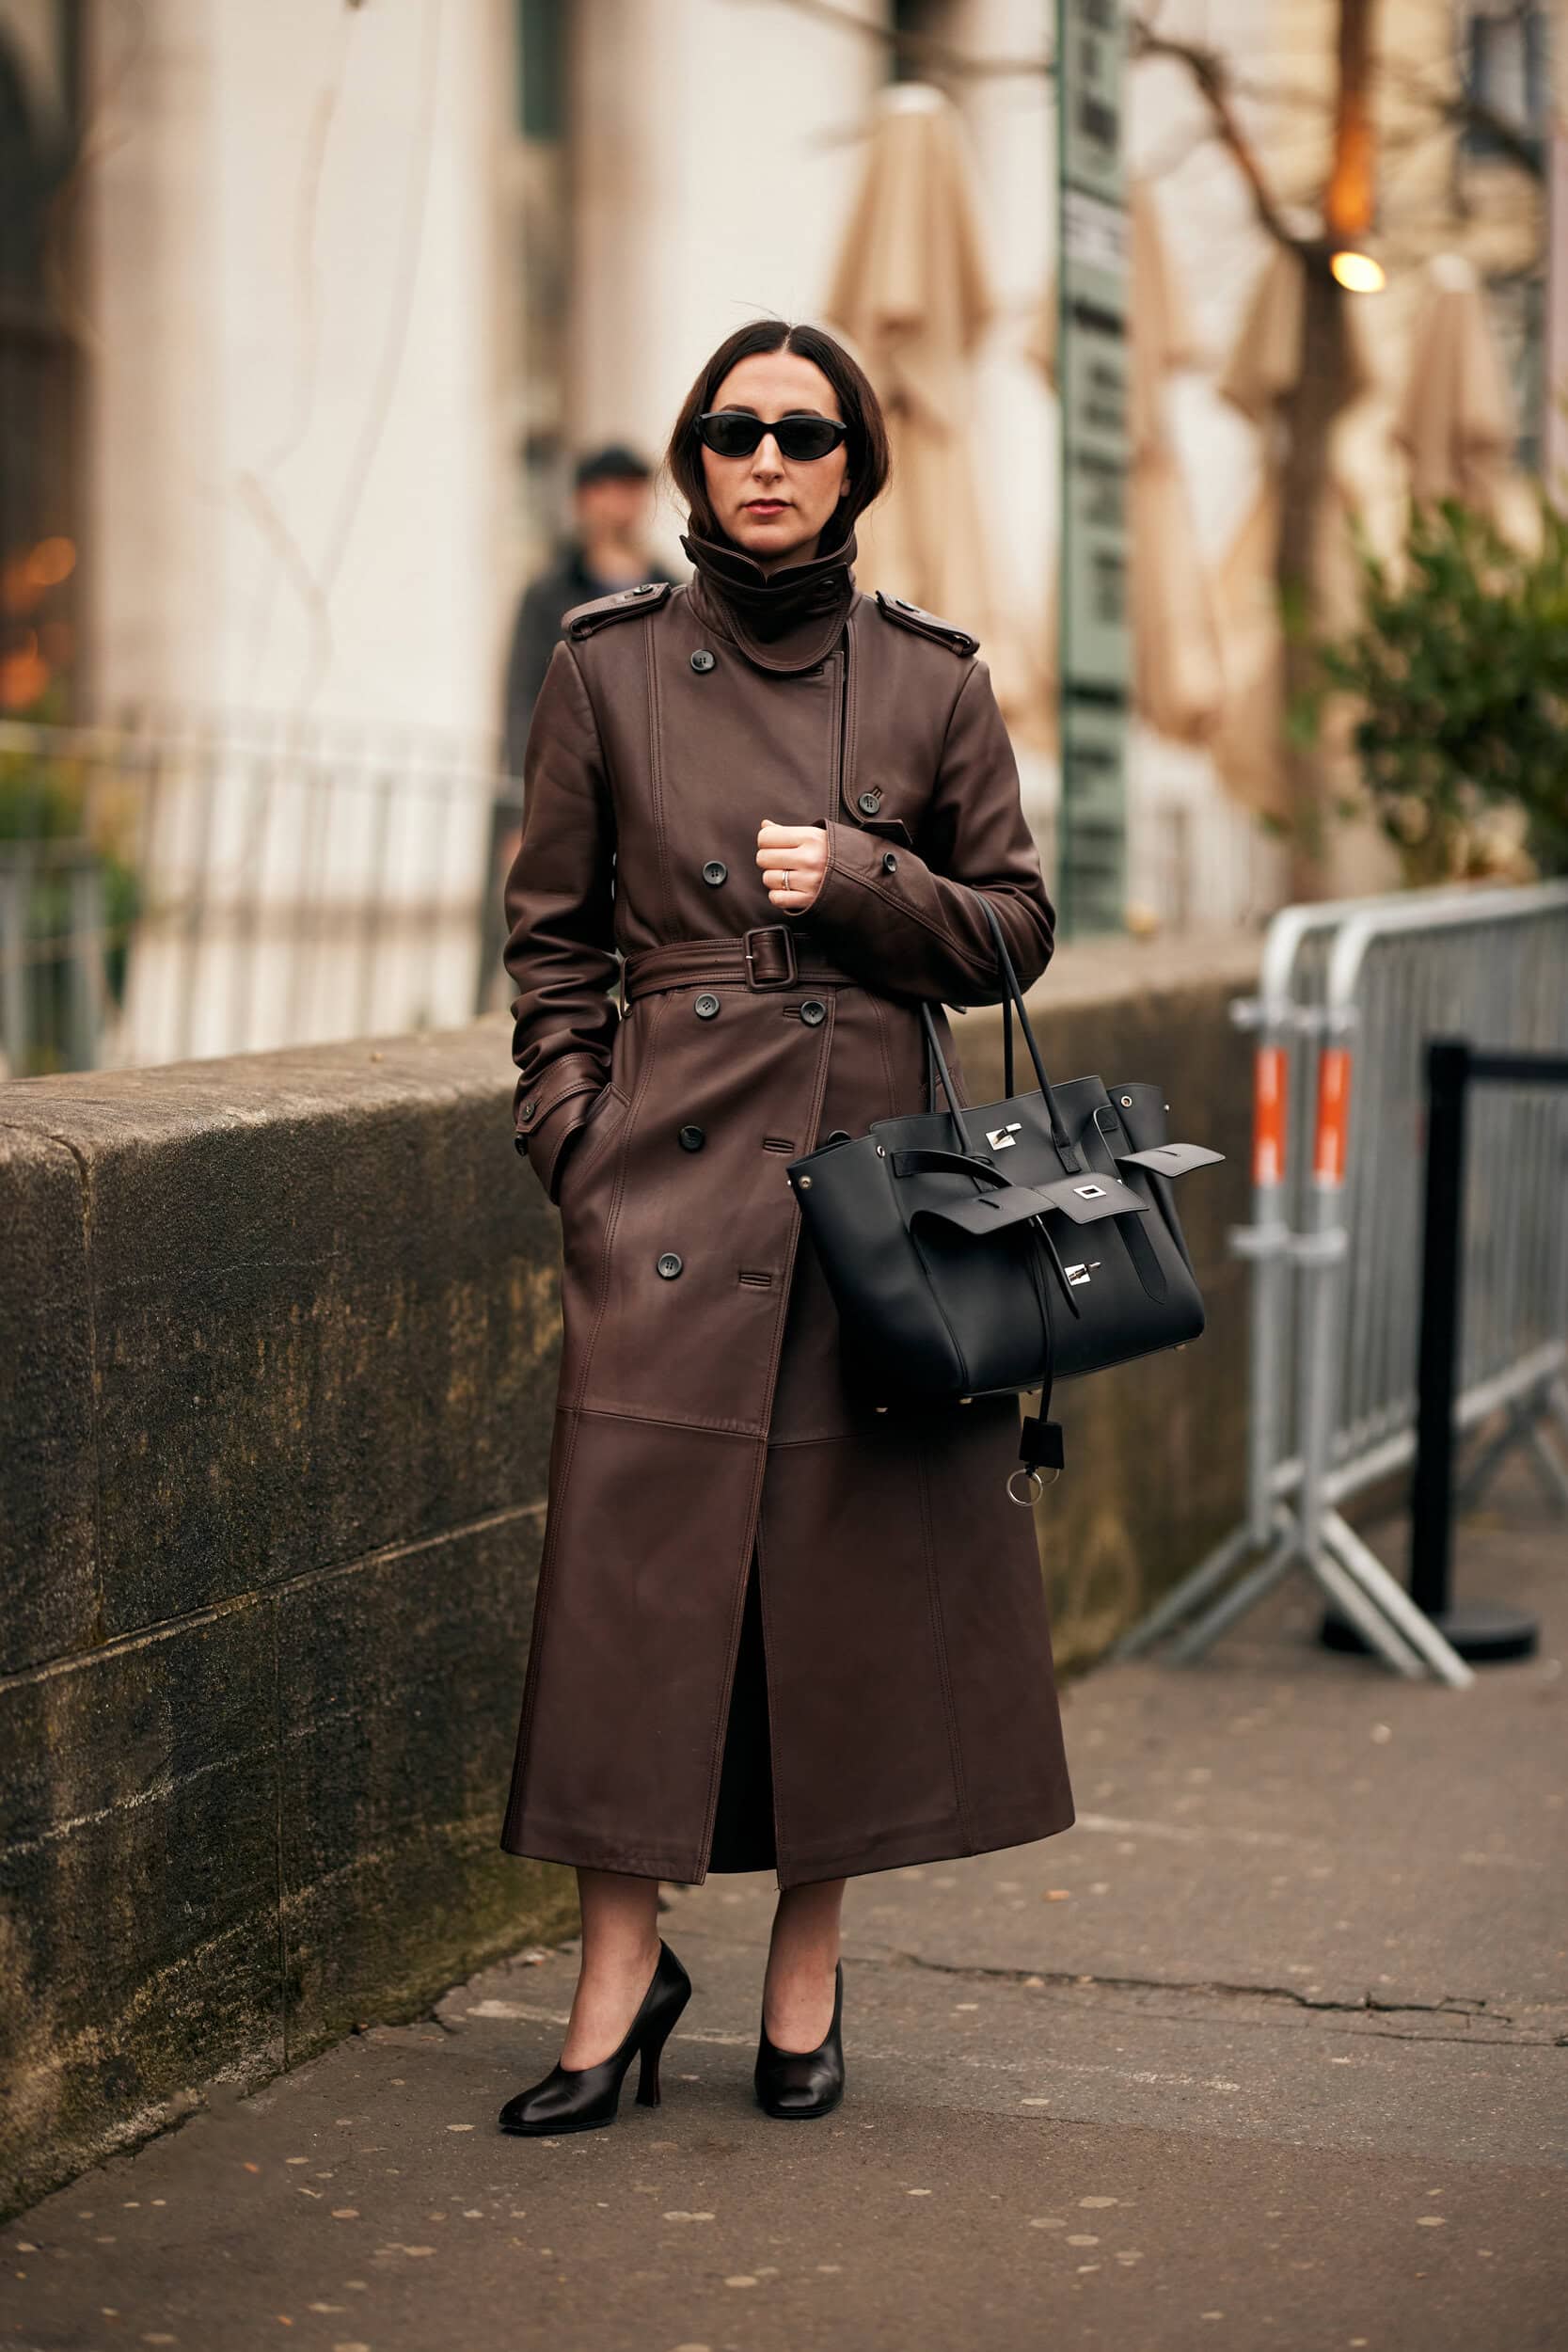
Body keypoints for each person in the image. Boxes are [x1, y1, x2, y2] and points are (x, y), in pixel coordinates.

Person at [494, 318, 1075, 2137]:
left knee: (844, 1591)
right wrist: (577, 1145)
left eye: (802, 433)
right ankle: (613, 1977)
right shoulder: (602, 670)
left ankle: (805, 1974)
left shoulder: (930, 684)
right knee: (626, 1591)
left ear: (853, 466)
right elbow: (548, 946)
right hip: (659, 1182)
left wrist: (872, 876)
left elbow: (1017, 933)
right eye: (731, 428)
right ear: (689, 457)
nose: (764, 457)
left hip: (868, 1199)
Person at [499, 443, 675, 779]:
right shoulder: (547, 594)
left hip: (648, 775)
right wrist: (520, 802)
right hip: (567, 771)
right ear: (582, 500)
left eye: (629, 490)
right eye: (607, 491)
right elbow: (522, 700)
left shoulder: (673, 591)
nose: (619, 504)